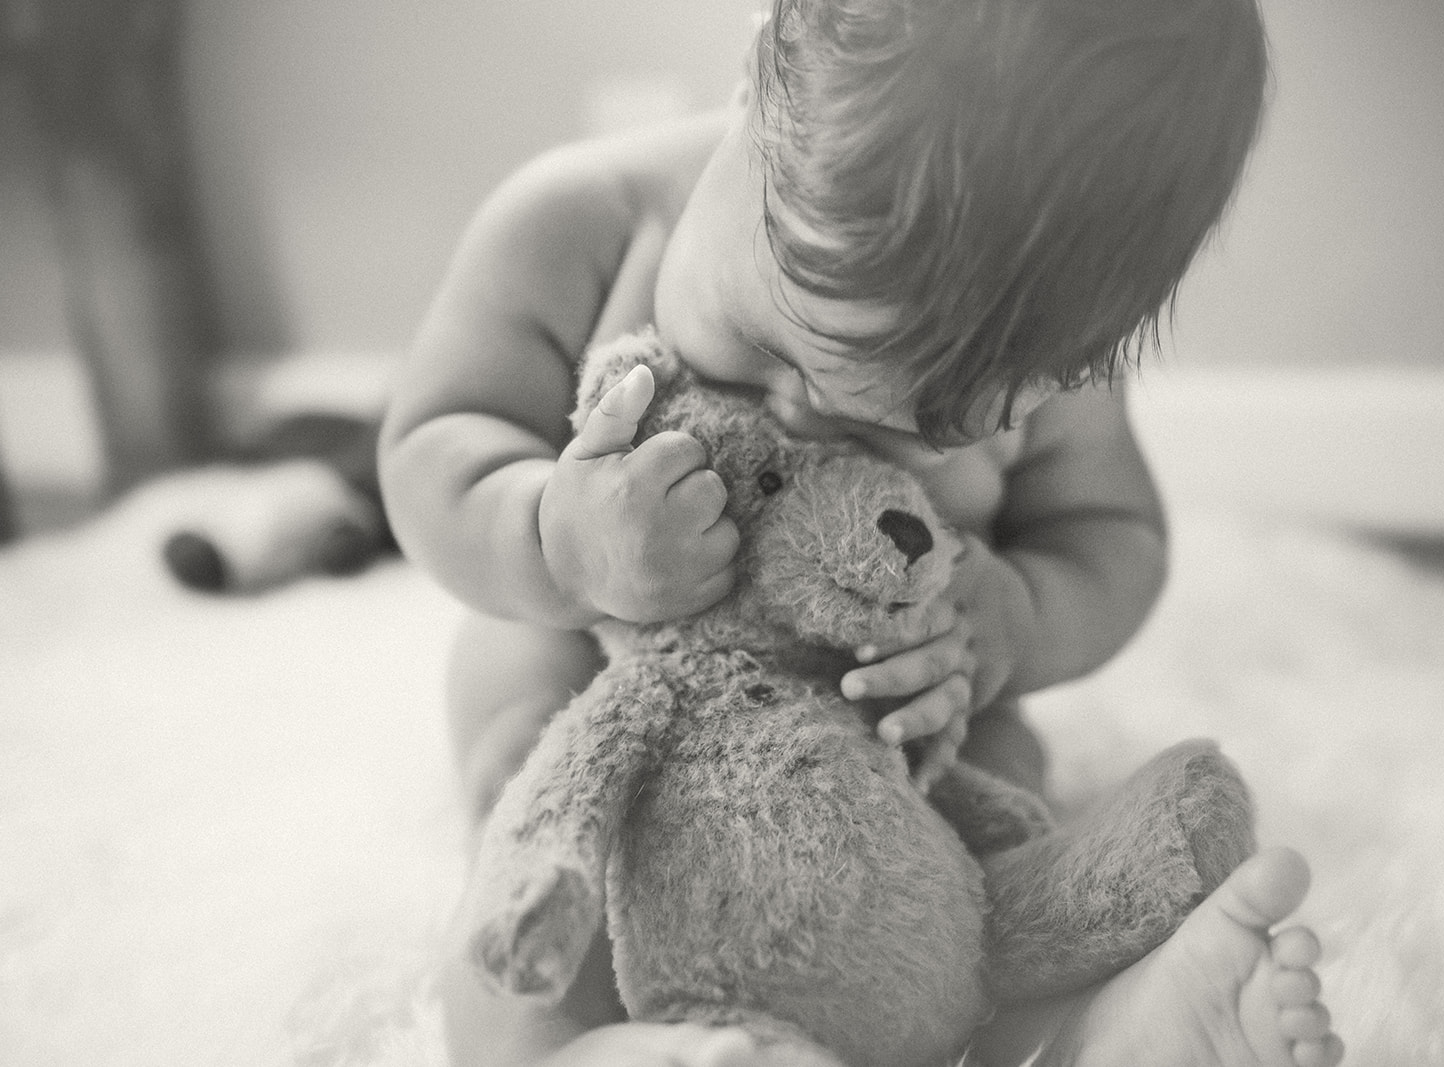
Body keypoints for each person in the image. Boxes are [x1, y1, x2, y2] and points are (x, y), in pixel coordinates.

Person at [379, 0, 1344, 1064]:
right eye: (765, 346)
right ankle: (563, 1043)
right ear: (756, 82)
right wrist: (554, 545)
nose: (797, 414)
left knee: (998, 806)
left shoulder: (1054, 361)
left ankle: (1088, 1034)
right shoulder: (574, 224)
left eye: (897, 429)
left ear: (1072, 359)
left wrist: (1012, 623)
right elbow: (431, 444)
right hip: (603, 672)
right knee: (530, 765)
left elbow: (1113, 533)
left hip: (889, 724)